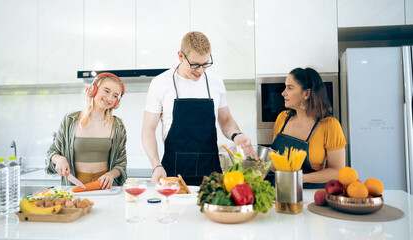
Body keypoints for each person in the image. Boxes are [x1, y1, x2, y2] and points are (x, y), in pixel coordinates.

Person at [142, 31, 253, 186]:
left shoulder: (216, 82)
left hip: (211, 176)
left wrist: (237, 135)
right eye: (195, 64)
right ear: (180, 56)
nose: (200, 70)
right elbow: (148, 129)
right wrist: (156, 165)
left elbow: (226, 120)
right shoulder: (160, 83)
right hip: (173, 176)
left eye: (205, 64)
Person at [46, 72, 128, 189]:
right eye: (106, 91)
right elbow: (52, 151)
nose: (110, 98)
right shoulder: (70, 120)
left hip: (105, 188)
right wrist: (59, 159)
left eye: (115, 96)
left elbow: (121, 163)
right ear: (93, 90)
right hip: (74, 186)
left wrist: (111, 174)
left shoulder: (118, 125)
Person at [271, 67, 346, 188]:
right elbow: (274, 160)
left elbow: (337, 171)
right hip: (280, 190)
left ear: (306, 93)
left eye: (290, 88)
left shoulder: (329, 126)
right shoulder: (282, 118)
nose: (283, 93)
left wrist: (300, 178)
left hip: (312, 195)